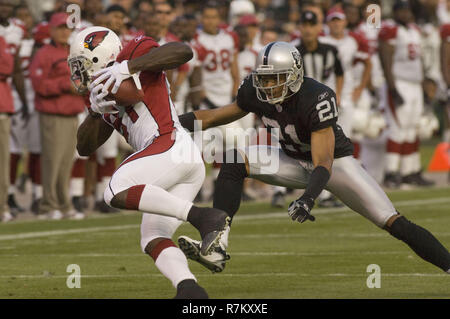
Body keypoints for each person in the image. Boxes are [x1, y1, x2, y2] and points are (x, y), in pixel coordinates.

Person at [176, 41, 450, 276]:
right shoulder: (254, 91)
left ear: (294, 75)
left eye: (275, 78)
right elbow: (213, 117)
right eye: (264, 78)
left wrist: (308, 198)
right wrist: (173, 123)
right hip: (291, 159)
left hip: (336, 166)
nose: (268, 86)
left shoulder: (315, 97)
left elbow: (324, 162)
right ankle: (217, 244)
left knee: (392, 222)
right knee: (234, 160)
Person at [72, 26, 230, 298]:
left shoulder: (133, 52)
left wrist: (128, 67)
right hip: (172, 161)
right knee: (152, 236)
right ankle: (189, 289)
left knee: (114, 189)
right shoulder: (99, 91)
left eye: (82, 63)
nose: (79, 71)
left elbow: (182, 51)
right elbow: (84, 148)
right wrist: (96, 113)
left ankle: (204, 217)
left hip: (169, 144)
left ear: (101, 55)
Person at [29, 12, 85, 220]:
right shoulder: (44, 53)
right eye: (60, 28)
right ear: (52, 30)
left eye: (67, 28)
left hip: (72, 112)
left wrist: (80, 88)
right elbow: (38, 84)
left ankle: (63, 204)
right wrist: (65, 85)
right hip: (52, 113)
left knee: (65, 162)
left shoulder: (72, 53)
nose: (64, 32)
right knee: (52, 161)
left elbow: (81, 81)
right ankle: (47, 205)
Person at [378, 0, 434, 188]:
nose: (405, 13)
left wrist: (425, 85)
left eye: (406, 10)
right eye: (401, 10)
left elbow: (420, 61)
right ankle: (391, 172)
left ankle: (410, 171)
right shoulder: (391, 29)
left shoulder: (414, 30)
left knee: (412, 129)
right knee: (397, 128)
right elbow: (386, 58)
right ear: (395, 12)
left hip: (415, 84)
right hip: (399, 82)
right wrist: (393, 88)